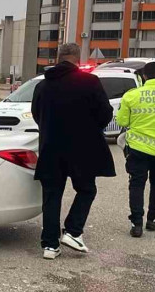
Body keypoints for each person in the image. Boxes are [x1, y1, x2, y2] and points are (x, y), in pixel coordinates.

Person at [31, 43, 115, 260]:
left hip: (51, 148)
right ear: (78, 59)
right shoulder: (90, 82)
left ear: (58, 58)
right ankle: (73, 232)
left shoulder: (43, 86)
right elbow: (105, 114)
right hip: (83, 149)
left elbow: (36, 114)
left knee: (52, 195)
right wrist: (89, 128)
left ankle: (50, 246)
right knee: (86, 189)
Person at [116, 61, 155, 237]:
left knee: (137, 184)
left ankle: (136, 224)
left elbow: (123, 122)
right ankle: (153, 219)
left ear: (144, 76)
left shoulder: (132, 95)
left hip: (137, 148)